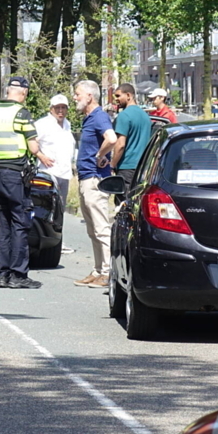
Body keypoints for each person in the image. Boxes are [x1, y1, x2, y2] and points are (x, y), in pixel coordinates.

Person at [0, 76, 46, 290]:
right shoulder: (21, 114)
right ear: (23, 93)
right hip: (15, 174)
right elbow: (34, 148)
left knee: (1, 224)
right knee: (20, 222)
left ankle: (2, 274)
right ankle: (18, 275)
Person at [72, 79, 117, 289]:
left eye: (78, 94)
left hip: (94, 179)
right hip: (85, 178)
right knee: (92, 229)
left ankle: (108, 272)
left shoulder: (99, 117)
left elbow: (112, 138)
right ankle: (98, 270)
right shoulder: (89, 118)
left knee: (100, 227)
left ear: (90, 96)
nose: (75, 98)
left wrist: (100, 154)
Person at [34, 94, 76, 202]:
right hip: (48, 174)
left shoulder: (67, 124)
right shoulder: (42, 124)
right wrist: (41, 156)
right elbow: (30, 142)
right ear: (51, 109)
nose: (60, 110)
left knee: (60, 209)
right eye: (57, 107)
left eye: (63, 107)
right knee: (46, 207)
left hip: (64, 175)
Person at [110, 83, 152, 187]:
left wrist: (112, 165)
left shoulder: (124, 115)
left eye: (118, 96)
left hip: (127, 167)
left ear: (128, 95)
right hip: (143, 167)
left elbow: (120, 145)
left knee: (123, 201)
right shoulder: (145, 116)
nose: (116, 99)